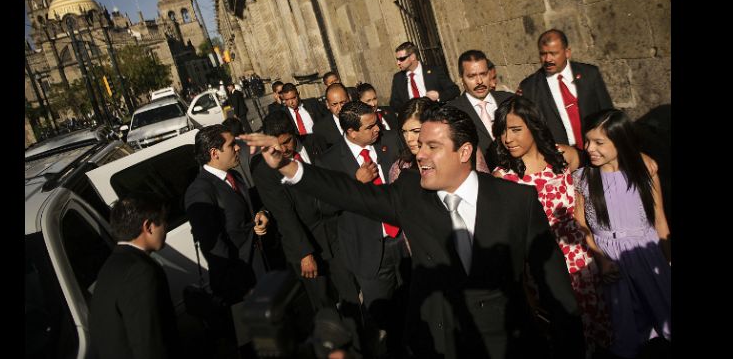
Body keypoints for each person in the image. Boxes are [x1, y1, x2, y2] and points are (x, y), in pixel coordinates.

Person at [242, 104, 585, 359]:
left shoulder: (517, 201)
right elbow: (352, 194)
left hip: (507, 343)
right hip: (438, 343)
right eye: (419, 145)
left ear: (464, 151)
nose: (419, 154)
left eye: (431, 147)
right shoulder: (410, 193)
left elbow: (556, 290)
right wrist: (290, 166)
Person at [491, 96, 610, 355]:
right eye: (501, 131)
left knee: (601, 333)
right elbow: (509, 240)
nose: (507, 138)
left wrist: (639, 158)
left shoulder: (563, 156)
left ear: (534, 125)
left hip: (583, 260)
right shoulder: (503, 177)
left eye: (515, 129)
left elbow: (607, 159)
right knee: (567, 339)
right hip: (542, 270)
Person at [573, 109, 671, 359]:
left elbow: (659, 217)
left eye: (599, 142)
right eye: (587, 141)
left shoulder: (644, 171)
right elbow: (581, 223)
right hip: (611, 262)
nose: (590, 148)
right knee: (626, 326)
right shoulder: (583, 179)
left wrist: (668, 259)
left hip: (647, 254)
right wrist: (601, 259)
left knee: (663, 311)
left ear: (620, 141)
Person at [318, 101, 404, 357]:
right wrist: (354, 184)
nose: (377, 129)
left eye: (377, 122)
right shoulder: (330, 161)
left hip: (404, 241)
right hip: (369, 252)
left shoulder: (390, 140)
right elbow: (323, 206)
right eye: (370, 126)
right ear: (351, 132)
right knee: (381, 321)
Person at [252, 111, 356, 315]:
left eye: (287, 142)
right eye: (277, 145)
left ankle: (358, 343)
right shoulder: (265, 170)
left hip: (336, 235)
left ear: (294, 133)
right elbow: (284, 215)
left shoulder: (316, 143)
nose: (283, 149)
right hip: (304, 244)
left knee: (351, 296)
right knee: (324, 306)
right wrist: (305, 254)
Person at [184, 124, 270, 305]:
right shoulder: (200, 191)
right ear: (214, 153)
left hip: (260, 268)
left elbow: (248, 211)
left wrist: (261, 213)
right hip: (241, 284)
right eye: (232, 145)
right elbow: (215, 248)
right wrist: (241, 289)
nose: (238, 147)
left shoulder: (234, 176)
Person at [89, 193, 180, 359]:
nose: (166, 227)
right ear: (149, 227)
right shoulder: (141, 272)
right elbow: (149, 343)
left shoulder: (110, 267)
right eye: (163, 222)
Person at [517, 29, 613, 149]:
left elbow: (608, 112)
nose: (548, 59)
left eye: (554, 53)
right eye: (543, 54)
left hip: (598, 149)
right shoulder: (529, 87)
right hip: (563, 156)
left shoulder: (590, 74)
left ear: (567, 52)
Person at [447, 50, 514, 170]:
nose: (479, 81)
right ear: (461, 79)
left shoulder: (509, 100)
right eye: (471, 76)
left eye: (483, 74)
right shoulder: (452, 111)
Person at [389, 42, 459, 113]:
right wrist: (409, 109)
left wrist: (438, 95)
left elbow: (454, 90)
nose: (398, 63)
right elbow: (393, 103)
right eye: (397, 59)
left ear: (413, 57)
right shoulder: (398, 78)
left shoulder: (434, 71)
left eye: (402, 59)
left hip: (436, 116)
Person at [313, 82, 350, 150]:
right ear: (327, 104)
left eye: (343, 102)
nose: (340, 108)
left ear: (349, 99)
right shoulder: (320, 129)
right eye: (335, 104)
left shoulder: (362, 118)